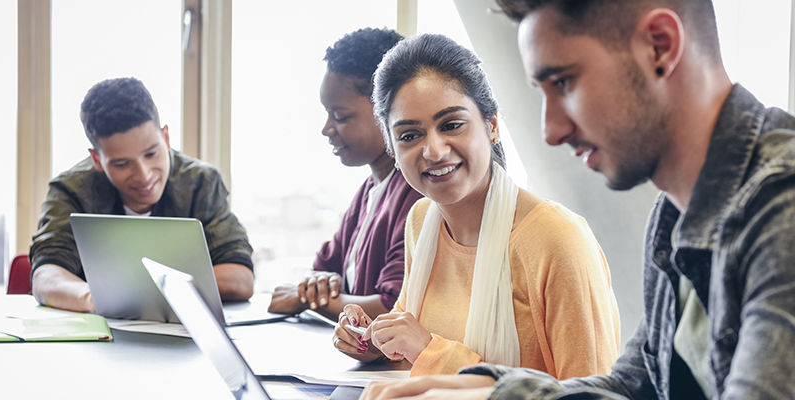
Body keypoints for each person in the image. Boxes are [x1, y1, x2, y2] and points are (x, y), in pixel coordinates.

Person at [358, 0, 795, 399]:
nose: (551, 130)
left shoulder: (782, 208)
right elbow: (633, 386)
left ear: (660, 46)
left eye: (564, 82)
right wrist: (488, 391)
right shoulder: (673, 213)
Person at [334, 33, 621, 378]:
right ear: (393, 150)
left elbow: (593, 393)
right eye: (410, 135)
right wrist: (370, 341)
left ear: (493, 126)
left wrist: (431, 351)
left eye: (452, 125)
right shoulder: (422, 221)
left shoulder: (557, 240)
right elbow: (410, 347)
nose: (435, 151)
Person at [31, 77, 254, 313]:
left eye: (151, 153)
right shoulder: (71, 190)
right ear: (97, 160)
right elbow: (46, 276)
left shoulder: (201, 183)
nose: (144, 175)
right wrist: (95, 299)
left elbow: (240, 278)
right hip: (102, 338)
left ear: (166, 138)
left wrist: (135, 291)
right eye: (121, 163)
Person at [267, 28, 423, 321]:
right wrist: (316, 289)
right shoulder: (368, 192)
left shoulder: (417, 195)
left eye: (340, 116)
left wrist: (305, 298)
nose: (327, 128)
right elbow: (322, 270)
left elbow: (392, 307)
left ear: (387, 109)